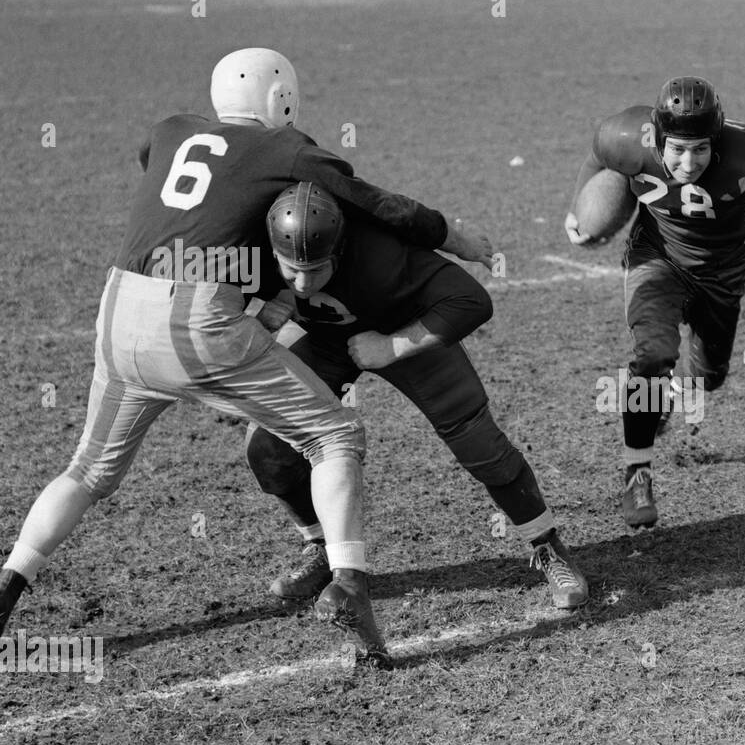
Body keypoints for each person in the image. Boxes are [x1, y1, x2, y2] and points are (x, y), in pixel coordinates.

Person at [0, 48, 492, 665]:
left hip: (120, 303)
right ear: (280, 101)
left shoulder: (170, 129)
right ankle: (349, 585)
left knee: (87, 472)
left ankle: (10, 581)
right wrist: (454, 234)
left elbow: (165, 173)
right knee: (334, 438)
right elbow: (374, 202)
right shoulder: (288, 148)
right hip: (195, 318)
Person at [247, 183, 589, 609]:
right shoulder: (251, 247)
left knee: (479, 443)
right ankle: (319, 547)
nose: (300, 283)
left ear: (338, 251)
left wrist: (393, 346)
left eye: (314, 270)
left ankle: (548, 547)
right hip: (327, 341)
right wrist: (259, 308)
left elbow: (472, 300)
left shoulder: (384, 259)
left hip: (399, 328)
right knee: (268, 448)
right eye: (289, 269)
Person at [565, 76, 745, 527]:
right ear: (657, 137)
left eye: (700, 149)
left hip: (721, 273)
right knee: (653, 354)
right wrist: (579, 210)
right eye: (677, 149)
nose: (688, 161)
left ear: (716, 142)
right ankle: (637, 472)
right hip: (655, 257)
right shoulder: (623, 136)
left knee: (706, 380)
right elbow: (597, 157)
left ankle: (671, 396)